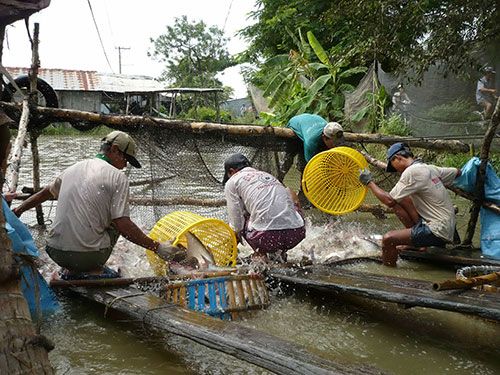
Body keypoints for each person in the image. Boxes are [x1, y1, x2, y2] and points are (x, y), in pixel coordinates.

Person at [13, 130, 182, 279]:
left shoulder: (72, 168)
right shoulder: (118, 177)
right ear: (114, 150)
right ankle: (94, 270)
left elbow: (45, 193)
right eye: (125, 159)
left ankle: (71, 270)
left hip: (55, 252)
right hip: (88, 258)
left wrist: (19, 209)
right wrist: (157, 247)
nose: (125, 165)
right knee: (117, 220)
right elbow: (123, 225)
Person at [358, 143, 461, 267]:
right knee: (402, 199)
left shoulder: (412, 172)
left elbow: (389, 200)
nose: (396, 170)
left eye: (393, 165)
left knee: (388, 239)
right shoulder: (430, 168)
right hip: (448, 227)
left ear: (398, 158)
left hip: (437, 230)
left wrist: (369, 182)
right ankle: (417, 244)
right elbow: (458, 172)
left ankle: (388, 273)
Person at [1, 111, 59, 315]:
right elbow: (10, 239)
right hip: (22, 290)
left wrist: (7, 203)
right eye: (6, 160)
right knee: (47, 315)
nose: (7, 165)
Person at [222, 153, 306, 262]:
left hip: (266, 238)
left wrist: (230, 250)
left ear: (232, 171)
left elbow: (236, 225)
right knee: (289, 192)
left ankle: (260, 254)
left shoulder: (232, 181)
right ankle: (282, 253)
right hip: (295, 234)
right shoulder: (266, 175)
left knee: (242, 215)